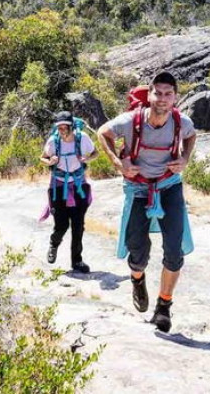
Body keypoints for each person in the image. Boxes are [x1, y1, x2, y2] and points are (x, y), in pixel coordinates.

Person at [97, 71, 196, 333]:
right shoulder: (131, 120)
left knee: (174, 250)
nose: (162, 99)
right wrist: (118, 163)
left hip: (169, 186)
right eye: (158, 93)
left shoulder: (181, 122)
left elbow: (191, 135)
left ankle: (164, 307)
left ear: (175, 98)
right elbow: (102, 133)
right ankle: (137, 278)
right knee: (137, 250)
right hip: (139, 189)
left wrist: (185, 159)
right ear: (150, 94)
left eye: (168, 94)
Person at [41, 111, 97, 274]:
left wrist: (87, 159)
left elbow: (95, 153)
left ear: (72, 126)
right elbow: (43, 157)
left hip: (78, 185)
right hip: (59, 187)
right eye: (60, 127)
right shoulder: (54, 141)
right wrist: (49, 161)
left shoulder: (82, 138)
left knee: (78, 226)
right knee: (62, 225)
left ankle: (77, 261)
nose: (63, 130)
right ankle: (54, 243)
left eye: (65, 126)